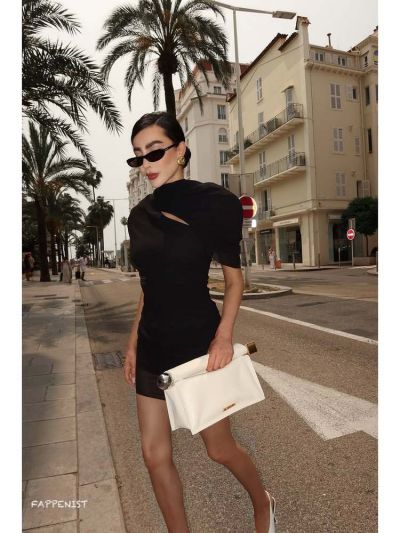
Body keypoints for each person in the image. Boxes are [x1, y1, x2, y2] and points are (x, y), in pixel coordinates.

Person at [124, 112, 275, 533]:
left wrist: (223, 337)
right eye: (138, 156)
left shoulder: (214, 203)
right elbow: (148, 287)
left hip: (196, 343)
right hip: (152, 344)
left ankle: (262, 502)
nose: (147, 163)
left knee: (219, 449)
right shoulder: (138, 216)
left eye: (154, 151)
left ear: (181, 149)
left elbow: (234, 281)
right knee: (154, 455)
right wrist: (133, 343)